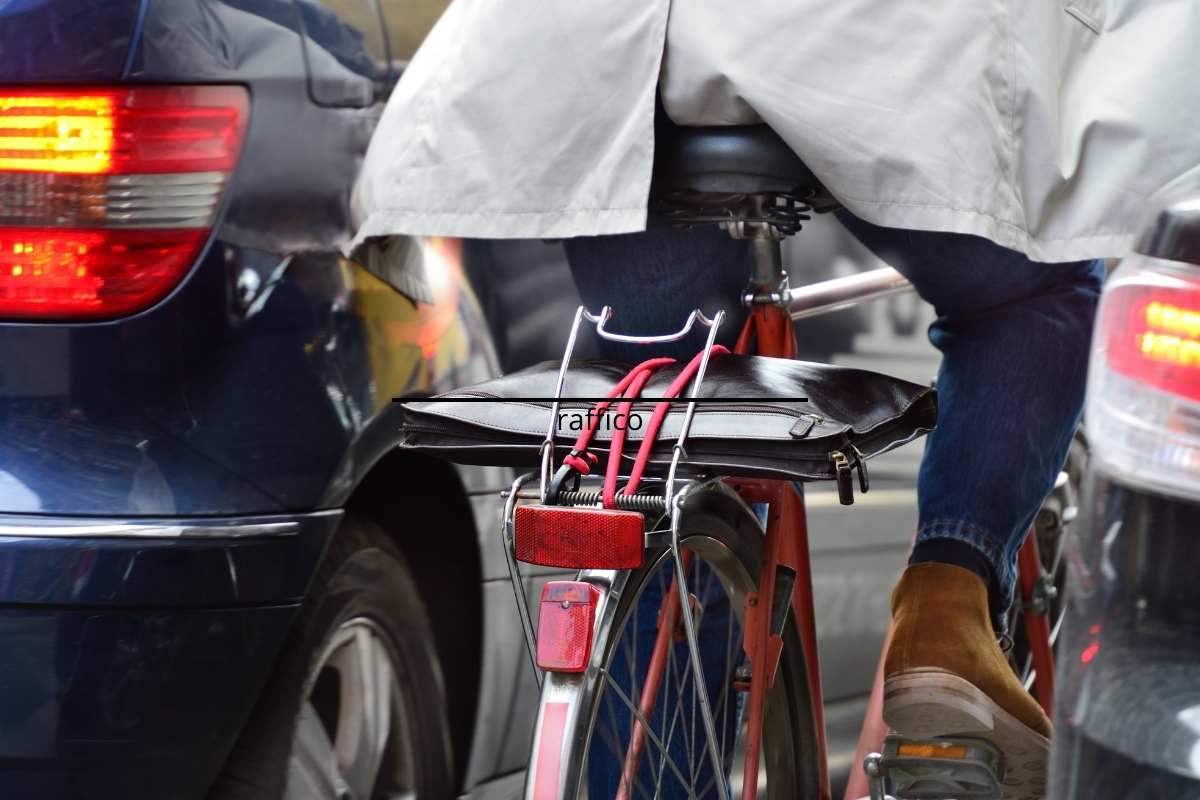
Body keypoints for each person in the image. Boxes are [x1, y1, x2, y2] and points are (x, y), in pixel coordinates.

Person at [350, 2, 1198, 796]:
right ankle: (946, 608)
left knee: (665, 459)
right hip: (837, 53)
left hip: (577, 64)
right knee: (1038, 297)